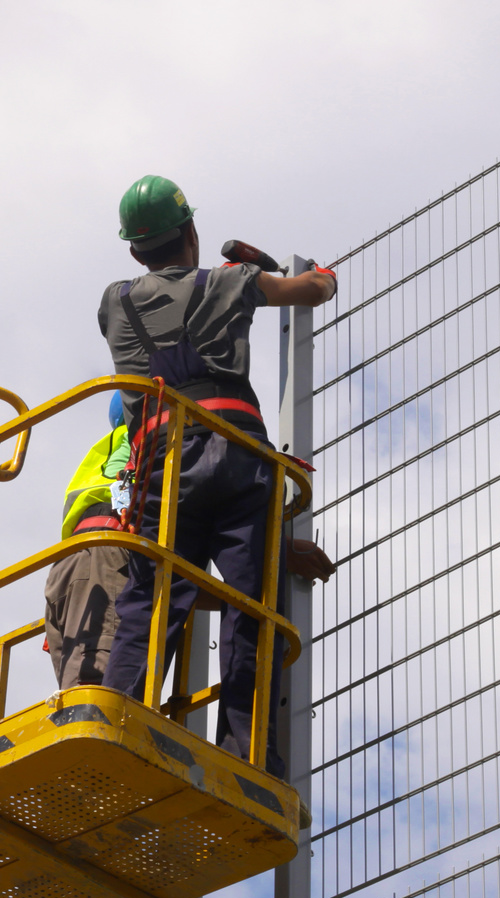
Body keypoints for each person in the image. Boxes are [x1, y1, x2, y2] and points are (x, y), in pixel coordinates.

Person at [97, 175, 336, 770]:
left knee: (150, 598)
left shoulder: (113, 302)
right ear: (193, 234)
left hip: (162, 463)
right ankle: (247, 750)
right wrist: (312, 274)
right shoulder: (229, 282)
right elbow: (311, 290)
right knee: (249, 602)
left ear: (133, 249)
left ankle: (117, 722)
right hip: (236, 454)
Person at [45, 393, 131, 688]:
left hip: (72, 563)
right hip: (102, 558)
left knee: (76, 680)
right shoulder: (142, 436)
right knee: (97, 680)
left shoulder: (105, 449)